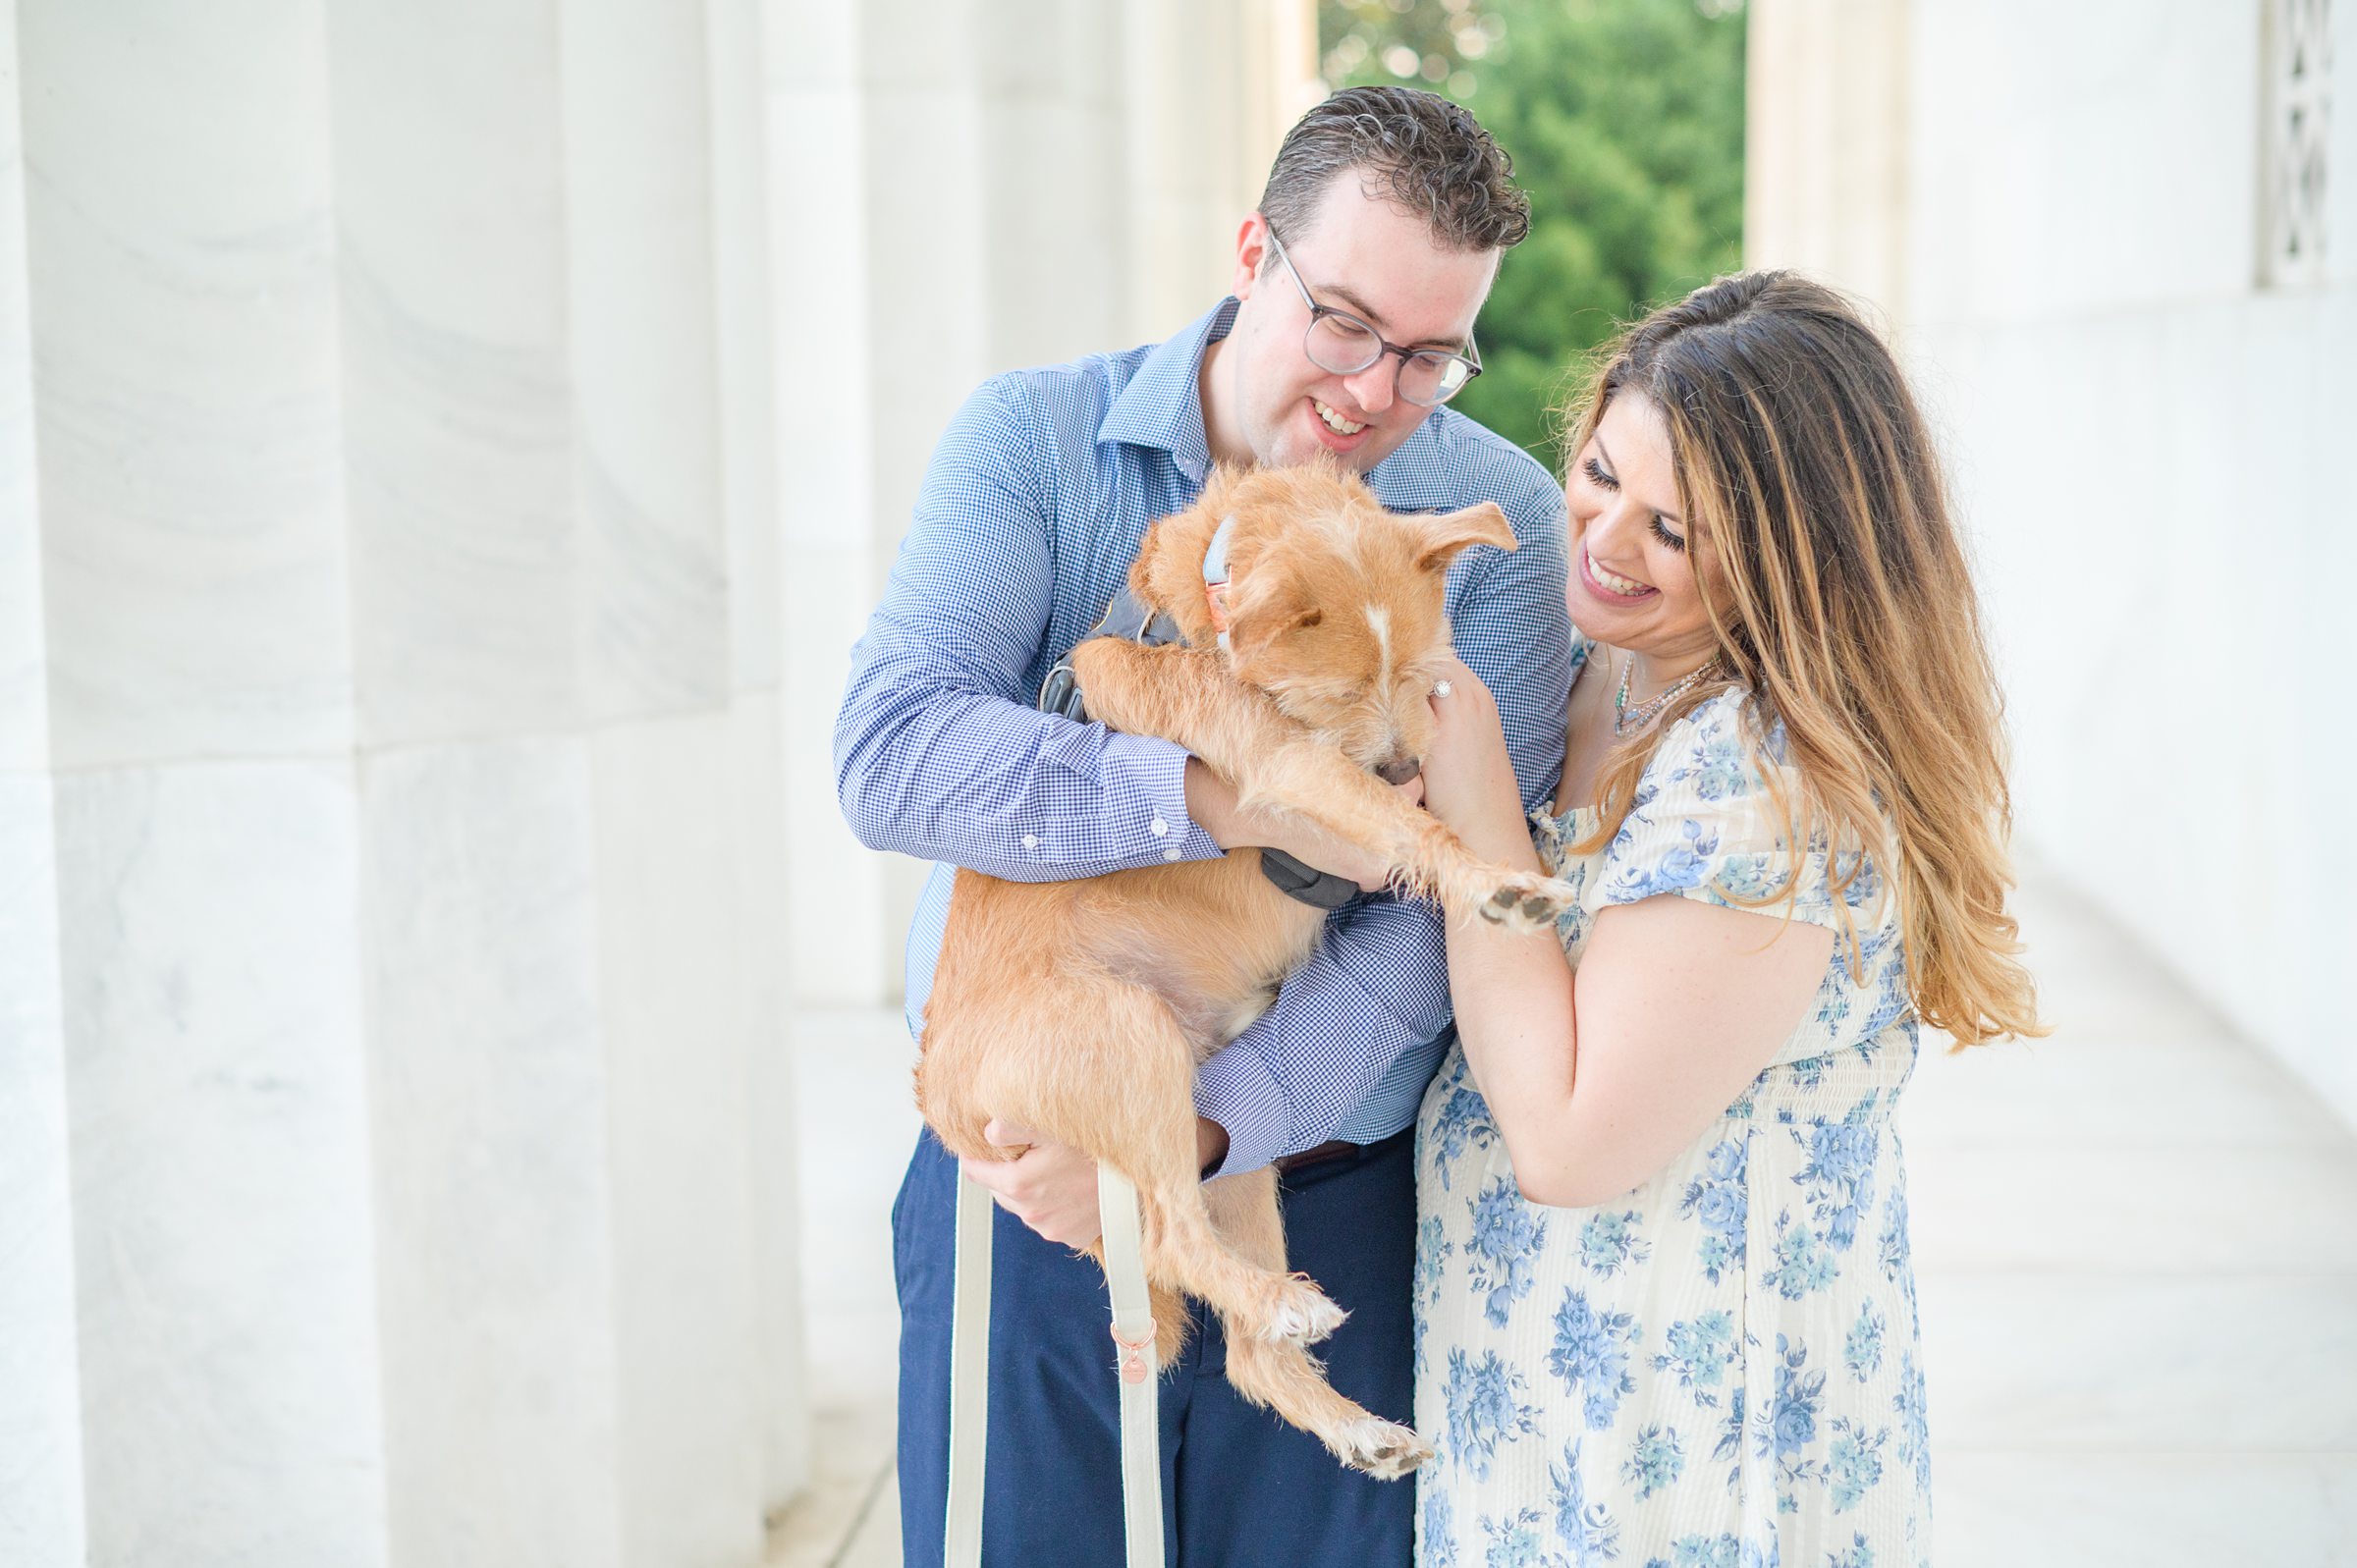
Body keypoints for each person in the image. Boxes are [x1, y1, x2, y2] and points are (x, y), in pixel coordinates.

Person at [833, 88, 1573, 1566]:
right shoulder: (1038, 445)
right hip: (1028, 1180)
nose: (1377, 390)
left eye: (1433, 352)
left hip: (1334, 1193)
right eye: (1347, 322)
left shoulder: (1500, 525)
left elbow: (1462, 911)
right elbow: (894, 755)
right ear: (1254, 253)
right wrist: (1205, 794)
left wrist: (1219, 1117)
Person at [1407, 272, 2044, 1568]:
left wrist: (1472, 794)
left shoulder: (1761, 781)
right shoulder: (1602, 675)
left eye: (1675, 533)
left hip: (1687, 1463)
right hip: (1548, 1430)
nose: (1605, 540)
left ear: (1791, 561)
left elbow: (1571, 1142)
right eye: (1598, 473)